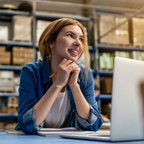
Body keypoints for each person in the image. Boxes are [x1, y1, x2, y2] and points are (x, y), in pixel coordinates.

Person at [15, 18, 103, 134]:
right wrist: (57, 84)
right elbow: (27, 125)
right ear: (51, 42)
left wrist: (74, 86)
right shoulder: (31, 72)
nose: (78, 43)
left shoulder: (85, 74)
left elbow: (93, 124)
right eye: (70, 35)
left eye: (81, 39)